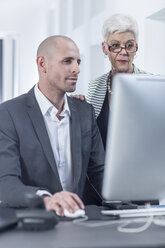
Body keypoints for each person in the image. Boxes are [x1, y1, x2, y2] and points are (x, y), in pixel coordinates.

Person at [0, 35, 104, 216]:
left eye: (78, 61)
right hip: (33, 224)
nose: (77, 69)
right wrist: (45, 199)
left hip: (79, 223)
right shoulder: (8, 114)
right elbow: (5, 182)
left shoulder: (85, 112)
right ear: (42, 64)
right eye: (67, 61)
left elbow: (100, 172)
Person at [88, 13, 148, 149]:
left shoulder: (151, 84)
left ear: (136, 48)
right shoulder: (94, 86)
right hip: (102, 168)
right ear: (105, 49)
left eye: (129, 45)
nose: (123, 52)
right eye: (115, 45)